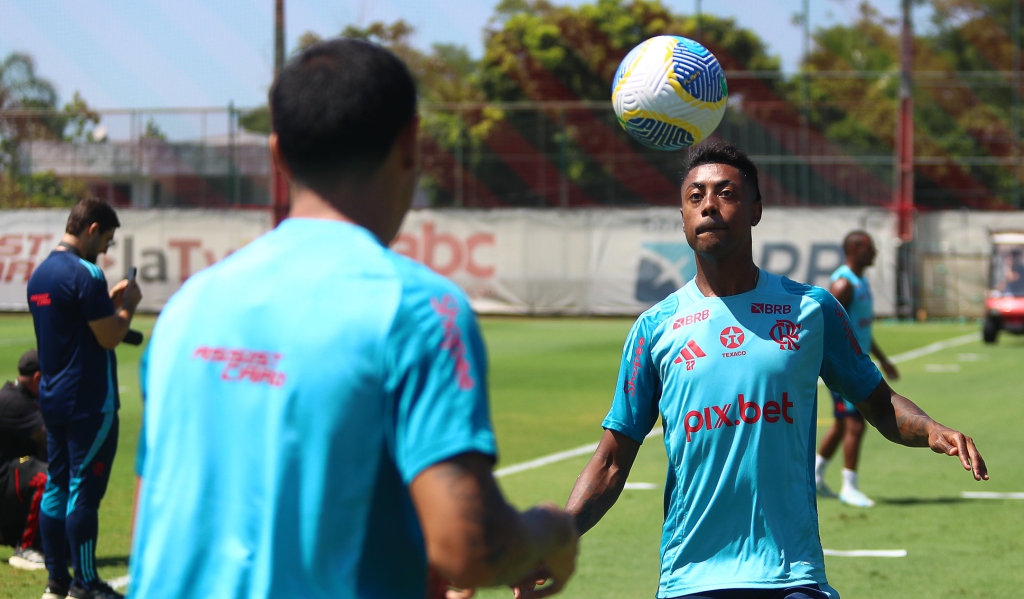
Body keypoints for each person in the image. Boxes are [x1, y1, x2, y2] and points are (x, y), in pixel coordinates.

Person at [129, 38, 578, 599]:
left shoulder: (187, 308)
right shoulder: (419, 308)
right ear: (412, 143)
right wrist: (550, 531)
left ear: (278, 155)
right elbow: (470, 547)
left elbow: (153, 525)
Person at [522, 142, 988, 599]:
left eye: (726, 193)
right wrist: (556, 541)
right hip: (692, 578)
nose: (708, 206)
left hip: (792, 574)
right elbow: (610, 462)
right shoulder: (655, 328)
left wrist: (929, 429)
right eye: (695, 196)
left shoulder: (811, 309)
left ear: (756, 210)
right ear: (682, 218)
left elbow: (879, 402)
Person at [27, 198, 143, 599]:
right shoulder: (87, 273)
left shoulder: (40, 274)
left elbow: (78, 326)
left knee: (58, 487)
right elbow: (110, 336)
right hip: (90, 403)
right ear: (92, 229)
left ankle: (57, 579)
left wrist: (108, 308)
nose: (107, 251)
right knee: (83, 491)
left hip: (54, 399)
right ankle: (86, 582)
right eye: (107, 241)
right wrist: (127, 307)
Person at [813, 232, 899, 508]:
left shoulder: (860, 280)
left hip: (857, 363)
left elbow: (857, 328)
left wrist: (882, 359)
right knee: (856, 423)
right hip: (844, 368)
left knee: (841, 425)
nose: (874, 253)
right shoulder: (843, 284)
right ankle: (849, 487)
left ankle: (813, 476)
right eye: (869, 248)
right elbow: (829, 327)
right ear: (855, 250)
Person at [0, 349, 48, 570]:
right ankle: (25, 547)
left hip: (10, 477)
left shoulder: (22, 397)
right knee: (47, 477)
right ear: (38, 377)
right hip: (4, 480)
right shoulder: (13, 401)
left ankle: (32, 538)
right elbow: (49, 437)